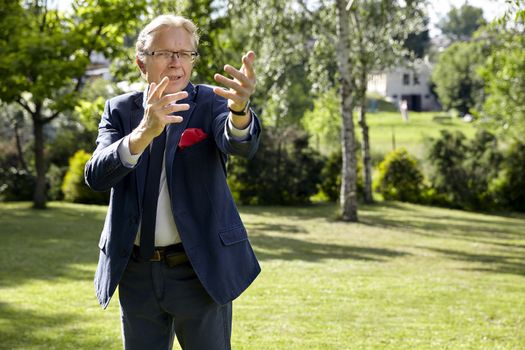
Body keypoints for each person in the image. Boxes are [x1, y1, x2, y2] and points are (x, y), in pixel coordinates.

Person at [84, 14, 261, 350]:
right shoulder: (119, 111)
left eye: (185, 54)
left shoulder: (210, 103)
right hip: (135, 273)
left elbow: (239, 142)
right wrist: (142, 134)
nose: (176, 62)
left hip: (200, 270)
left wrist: (239, 111)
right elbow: (96, 175)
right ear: (141, 62)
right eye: (165, 53)